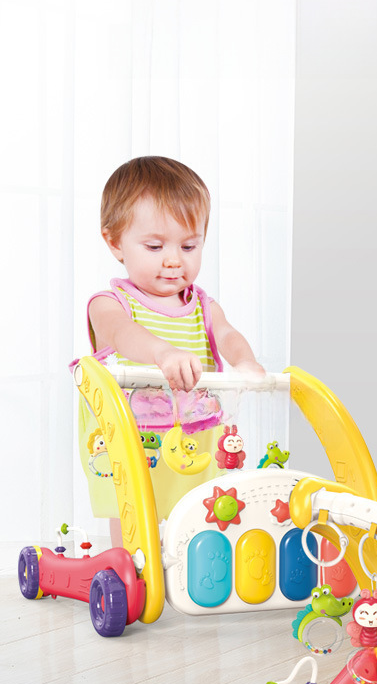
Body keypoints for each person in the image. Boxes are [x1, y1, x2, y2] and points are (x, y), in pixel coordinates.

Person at [79, 156, 265, 540]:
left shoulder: (203, 306)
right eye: (154, 245)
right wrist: (163, 353)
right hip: (135, 437)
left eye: (189, 245)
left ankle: (192, 564)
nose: (173, 260)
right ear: (114, 242)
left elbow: (227, 335)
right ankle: (133, 564)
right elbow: (124, 334)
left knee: (201, 512)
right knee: (134, 511)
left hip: (196, 434)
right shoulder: (109, 304)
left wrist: (245, 362)